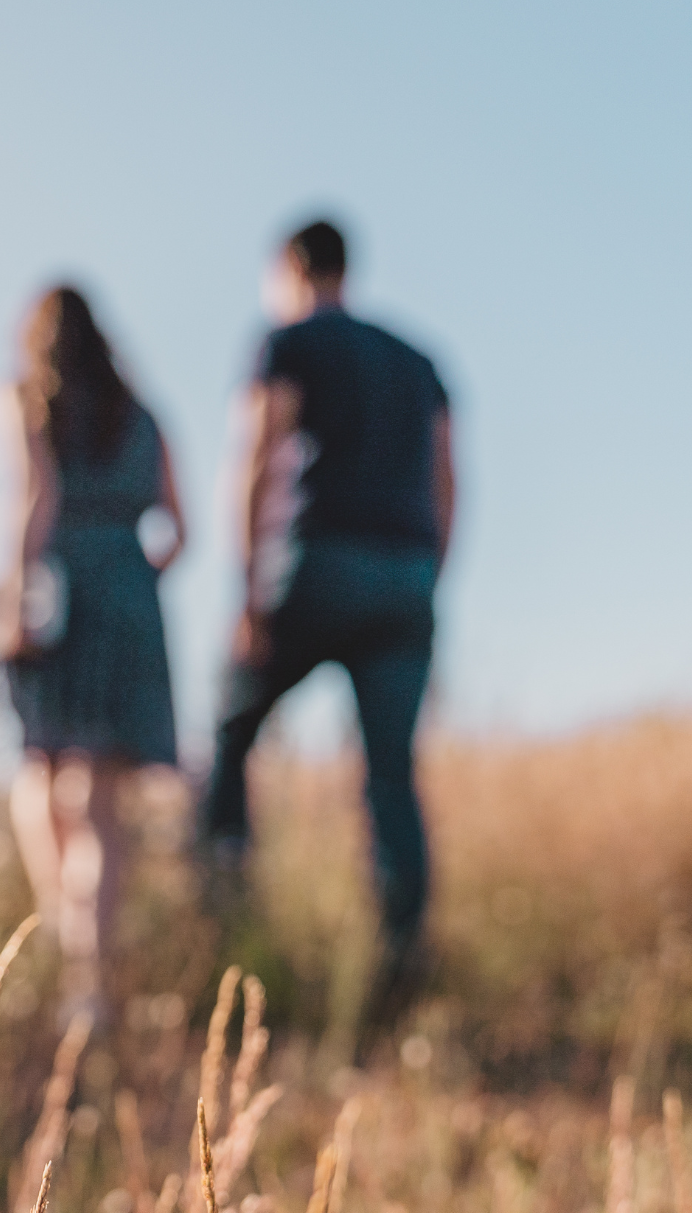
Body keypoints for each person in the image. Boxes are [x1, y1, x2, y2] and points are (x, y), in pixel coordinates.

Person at [200, 218, 458, 1056]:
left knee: (232, 730)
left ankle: (225, 919)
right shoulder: (420, 362)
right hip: (408, 573)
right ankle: (402, 953)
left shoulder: (286, 340)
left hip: (318, 562)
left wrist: (246, 590)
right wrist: (430, 580)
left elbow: (255, 455)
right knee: (391, 772)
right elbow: (449, 479)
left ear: (291, 269)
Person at [0, 285, 186, 1028]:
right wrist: (131, 585)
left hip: (57, 590)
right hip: (131, 595)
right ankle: (92, 983)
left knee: (40, 769)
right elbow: (179, 527)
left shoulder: (20, 396)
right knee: (101, 802)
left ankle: (68, 955)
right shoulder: (144, 414)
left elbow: (29, 494)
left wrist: (12, 600)